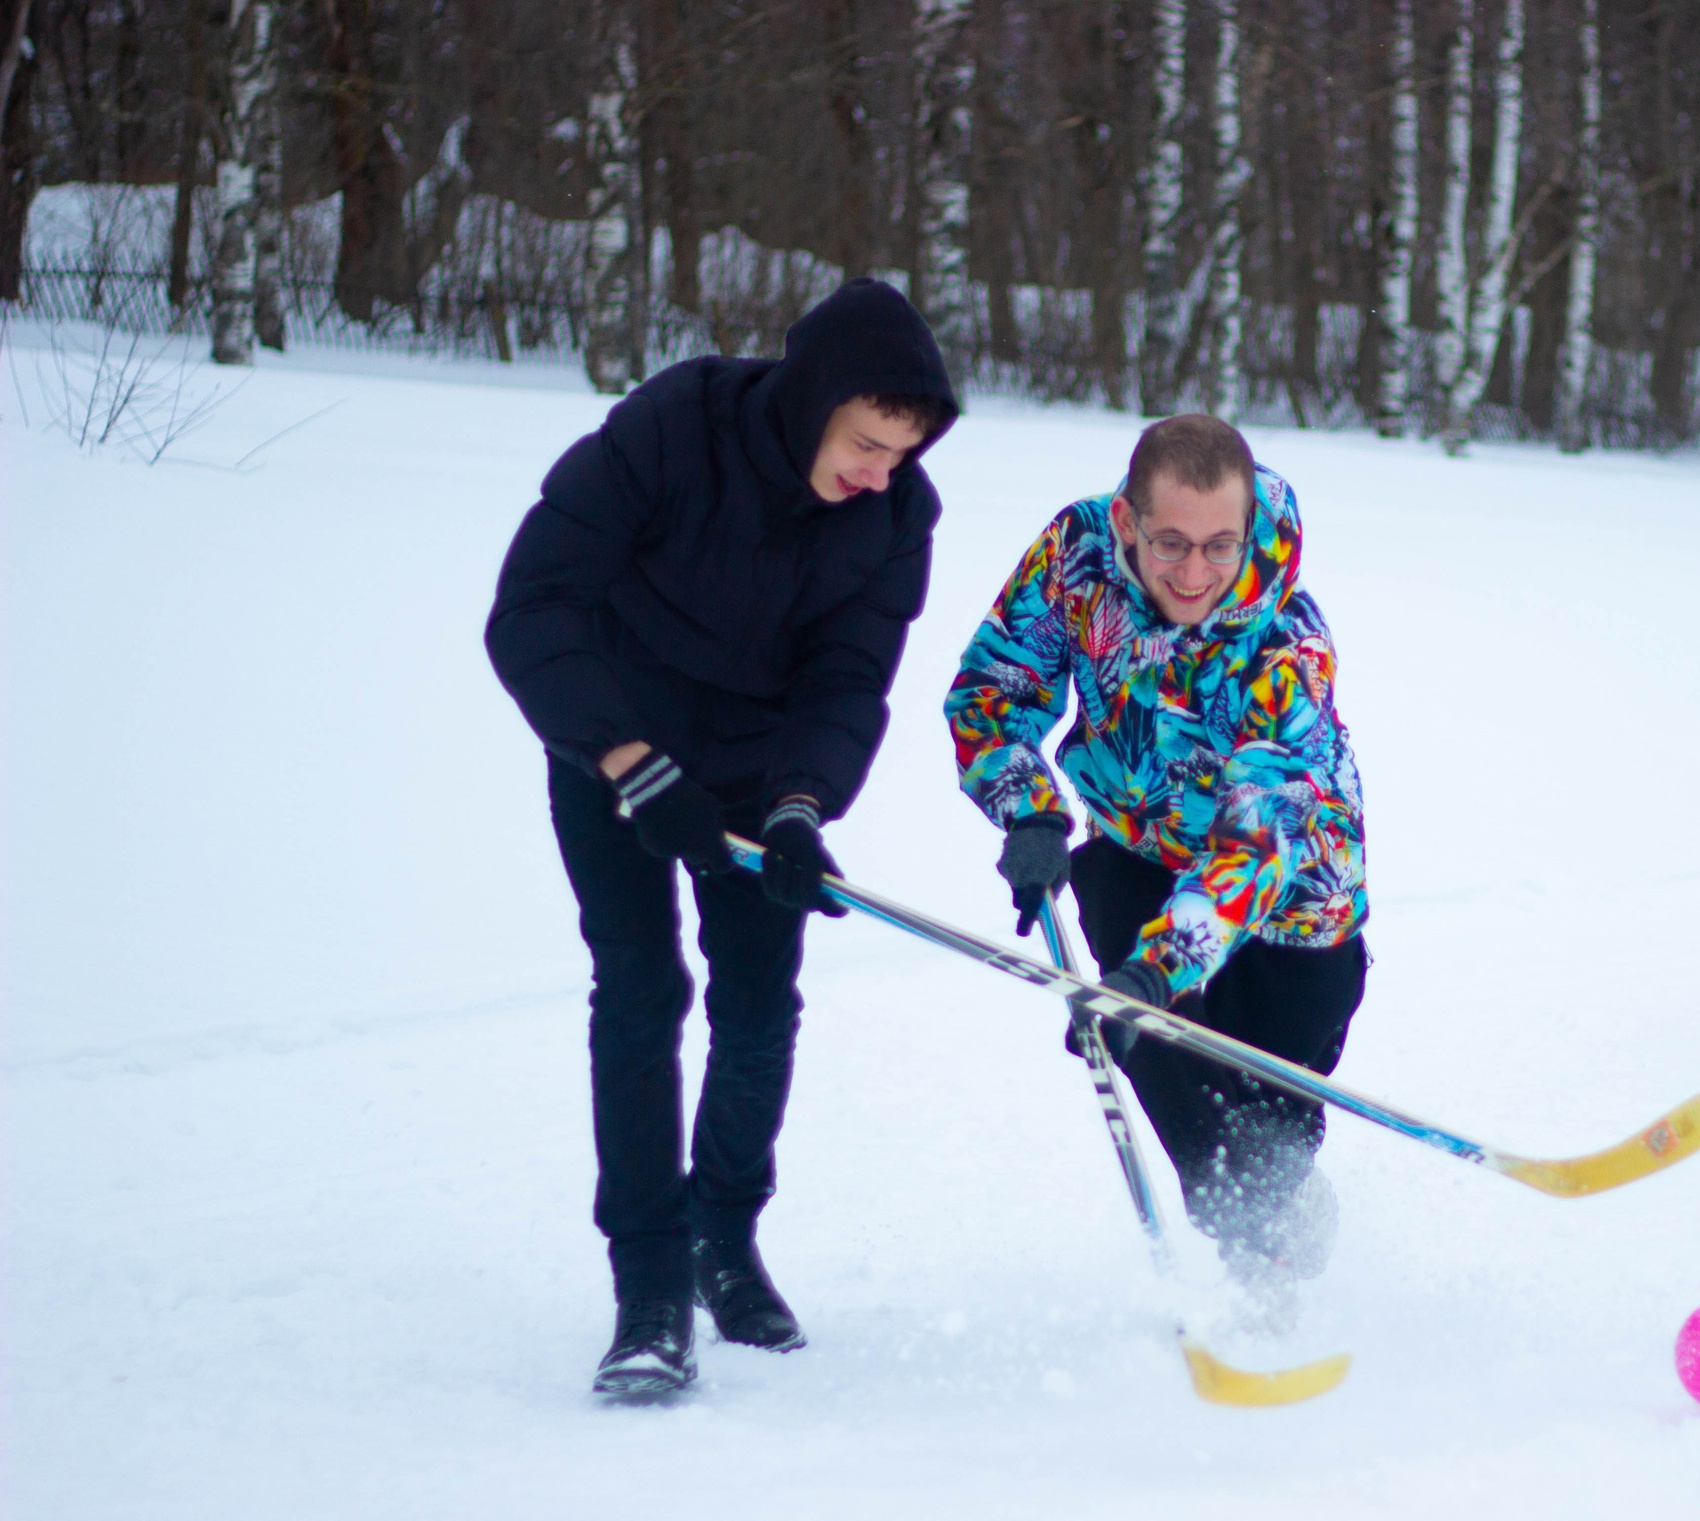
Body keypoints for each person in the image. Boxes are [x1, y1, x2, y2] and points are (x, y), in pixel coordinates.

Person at [487, 280, 957, 1398]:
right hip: (613, 744)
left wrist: (801, 802)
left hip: (755, 773)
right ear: (811, 401)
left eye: (903, 452)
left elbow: (848, 678)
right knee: (643, 992)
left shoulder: (895, 516)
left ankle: (722, 1240)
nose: (880, 472)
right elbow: (534, 606)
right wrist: (626, 761)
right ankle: (649, 1282)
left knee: (758, 1001)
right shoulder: (671, 429)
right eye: (865, 444)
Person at [945, 415, 1367, 1325]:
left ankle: (1282, 1222)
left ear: (1248, 527)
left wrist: (1158, 966)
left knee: (1271, 1136)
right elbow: (995, 690)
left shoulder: (1288, 641)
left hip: (1291, 904)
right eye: (1170, 541)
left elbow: (1259, 838)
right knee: (1177, 1084)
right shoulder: (1077, 557)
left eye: (1220, 543)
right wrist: (1027, 809)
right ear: (1130, 521)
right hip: (1135, 854)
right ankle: (1263, 1289)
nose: (1194, 571)